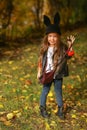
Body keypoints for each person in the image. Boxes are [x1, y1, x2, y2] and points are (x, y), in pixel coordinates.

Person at [37, 12, 75, 119]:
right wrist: (39, 71)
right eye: (50, 36)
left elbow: (69, 55)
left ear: (58, 37)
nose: (52, 39)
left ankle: (60, 109)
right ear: (47, 37)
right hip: (47, 73)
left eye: (54, 36)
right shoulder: (44, 48)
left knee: (58, 91)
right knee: (45, 91)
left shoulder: (62, 47)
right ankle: (42, 108)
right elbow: (40, 60)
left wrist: (70, 46)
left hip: (58, 74)